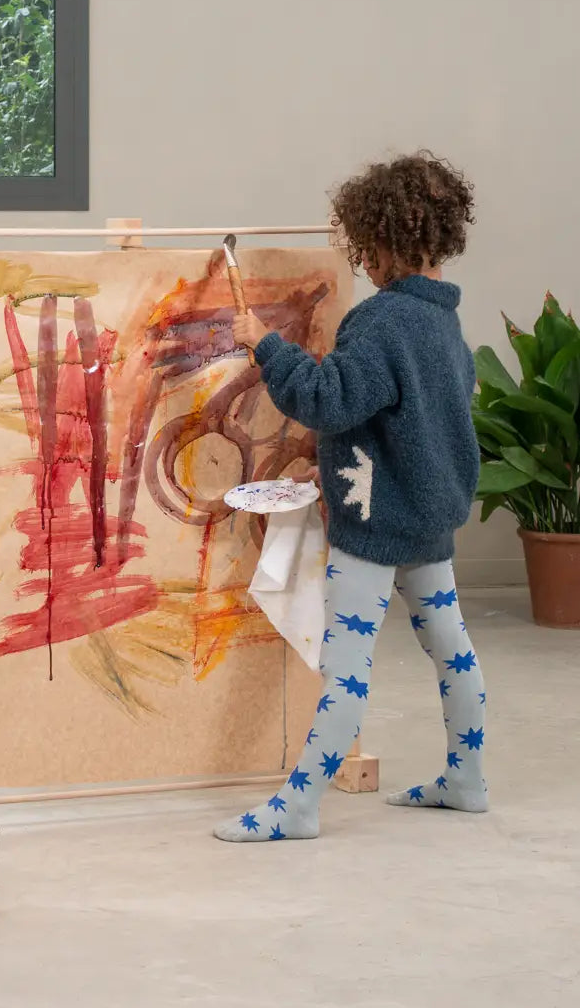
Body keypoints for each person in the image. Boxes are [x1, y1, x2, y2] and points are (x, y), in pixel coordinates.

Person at [215, 152, 486, 842]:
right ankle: (467, 777)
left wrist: (265, 347)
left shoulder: (381, 323)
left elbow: (327, 399)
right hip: (428, 520)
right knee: (451, 649)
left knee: (346, 668)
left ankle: (299, 805)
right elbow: (400, 423)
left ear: (379, 242)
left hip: (375, 528)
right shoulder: (444, 326)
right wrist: (329, 467)